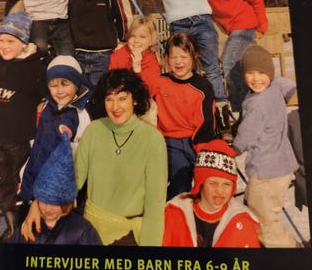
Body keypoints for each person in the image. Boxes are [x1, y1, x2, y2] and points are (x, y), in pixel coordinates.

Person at [21, 69, 168, 246]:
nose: (115, 107)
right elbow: (72, 180)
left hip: (129, 234)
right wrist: (38, 203)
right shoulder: (94, 130)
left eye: (122, 98)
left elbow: (155, 205)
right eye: (109, 99)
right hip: (91, 229)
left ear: (135, 100)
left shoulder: (153, 140)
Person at [111, 0, 226, 107]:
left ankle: (220, 104)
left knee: (211, 65)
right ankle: (186, 102)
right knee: (180, 65)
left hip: (202, 21)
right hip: (179, 25)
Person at [0, 12, 47, 240]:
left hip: (17, 137)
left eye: (11, 41)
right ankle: (10, 215)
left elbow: (41, 92)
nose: (4, 46)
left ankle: (16, 217)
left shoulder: (34, 68)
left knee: (12, 180)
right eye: (1, 40)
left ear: (24, 43)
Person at [232, 44, 299, 248]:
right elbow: (289, 86)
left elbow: (247, 136)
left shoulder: (257, 104)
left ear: (270, 73)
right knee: (264, 210)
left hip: (266, 171)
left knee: (264, 220)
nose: (256, 78)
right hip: (282, 168)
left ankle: (287, 251)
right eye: (250, 73)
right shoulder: (276, 88)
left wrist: (234, 149)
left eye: (261, 73)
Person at [199, 0, 268, 128]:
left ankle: (242, 112)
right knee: (236, 67)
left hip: (245, 24)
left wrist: (262, 27)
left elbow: (257, 0)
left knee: (229, 63)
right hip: (230, 29)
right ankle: (248, 109)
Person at [141, 32, 217, 199]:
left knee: (205, 188)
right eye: (173, 57)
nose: (178, 62)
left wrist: (202, 150)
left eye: (184, 56)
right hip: (170, 141)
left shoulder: (202, 87)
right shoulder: (160, 82)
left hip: (196, 141)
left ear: (195, 57)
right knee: (180, 187)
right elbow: (141, 90)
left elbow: (206, 122)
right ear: (167, 58)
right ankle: (174, 208)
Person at [19, 55, 90, 204]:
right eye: (53, 85)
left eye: (65, 84)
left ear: (76, 84)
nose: (59, 91)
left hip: (59, 175)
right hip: (36, 163)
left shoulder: (80, 113)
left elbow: (82, 147)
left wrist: (68, 133)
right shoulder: (47, 105)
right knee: (29, 199)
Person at [163, 139, 260, 248]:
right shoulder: (175, 213)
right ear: (201, 184)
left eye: (226, 184)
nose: (220, 191)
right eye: (213, 183)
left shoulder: (242, 221)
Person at [12, 134, 102, 245]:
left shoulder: (83, 231)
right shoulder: (28, 227)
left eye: (55, 203)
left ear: (66, 202)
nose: (48, 209)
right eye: (44, 201)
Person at [68, 0, 133, 93]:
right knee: (81, 93)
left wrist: (123, 41)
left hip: (103, 55)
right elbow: (69, 22)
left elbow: (123, 19)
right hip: (78, 55)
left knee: (100, 92)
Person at [109, 16, 161, 126]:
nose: (136, 41)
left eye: (142, 37)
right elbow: (111, 79)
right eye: (133, 36)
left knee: (151, 109)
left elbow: (149, 92)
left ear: (151, 41)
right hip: (120, 98)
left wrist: (137, 70)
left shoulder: (152, 61)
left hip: (142, 101)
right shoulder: (120, 54)